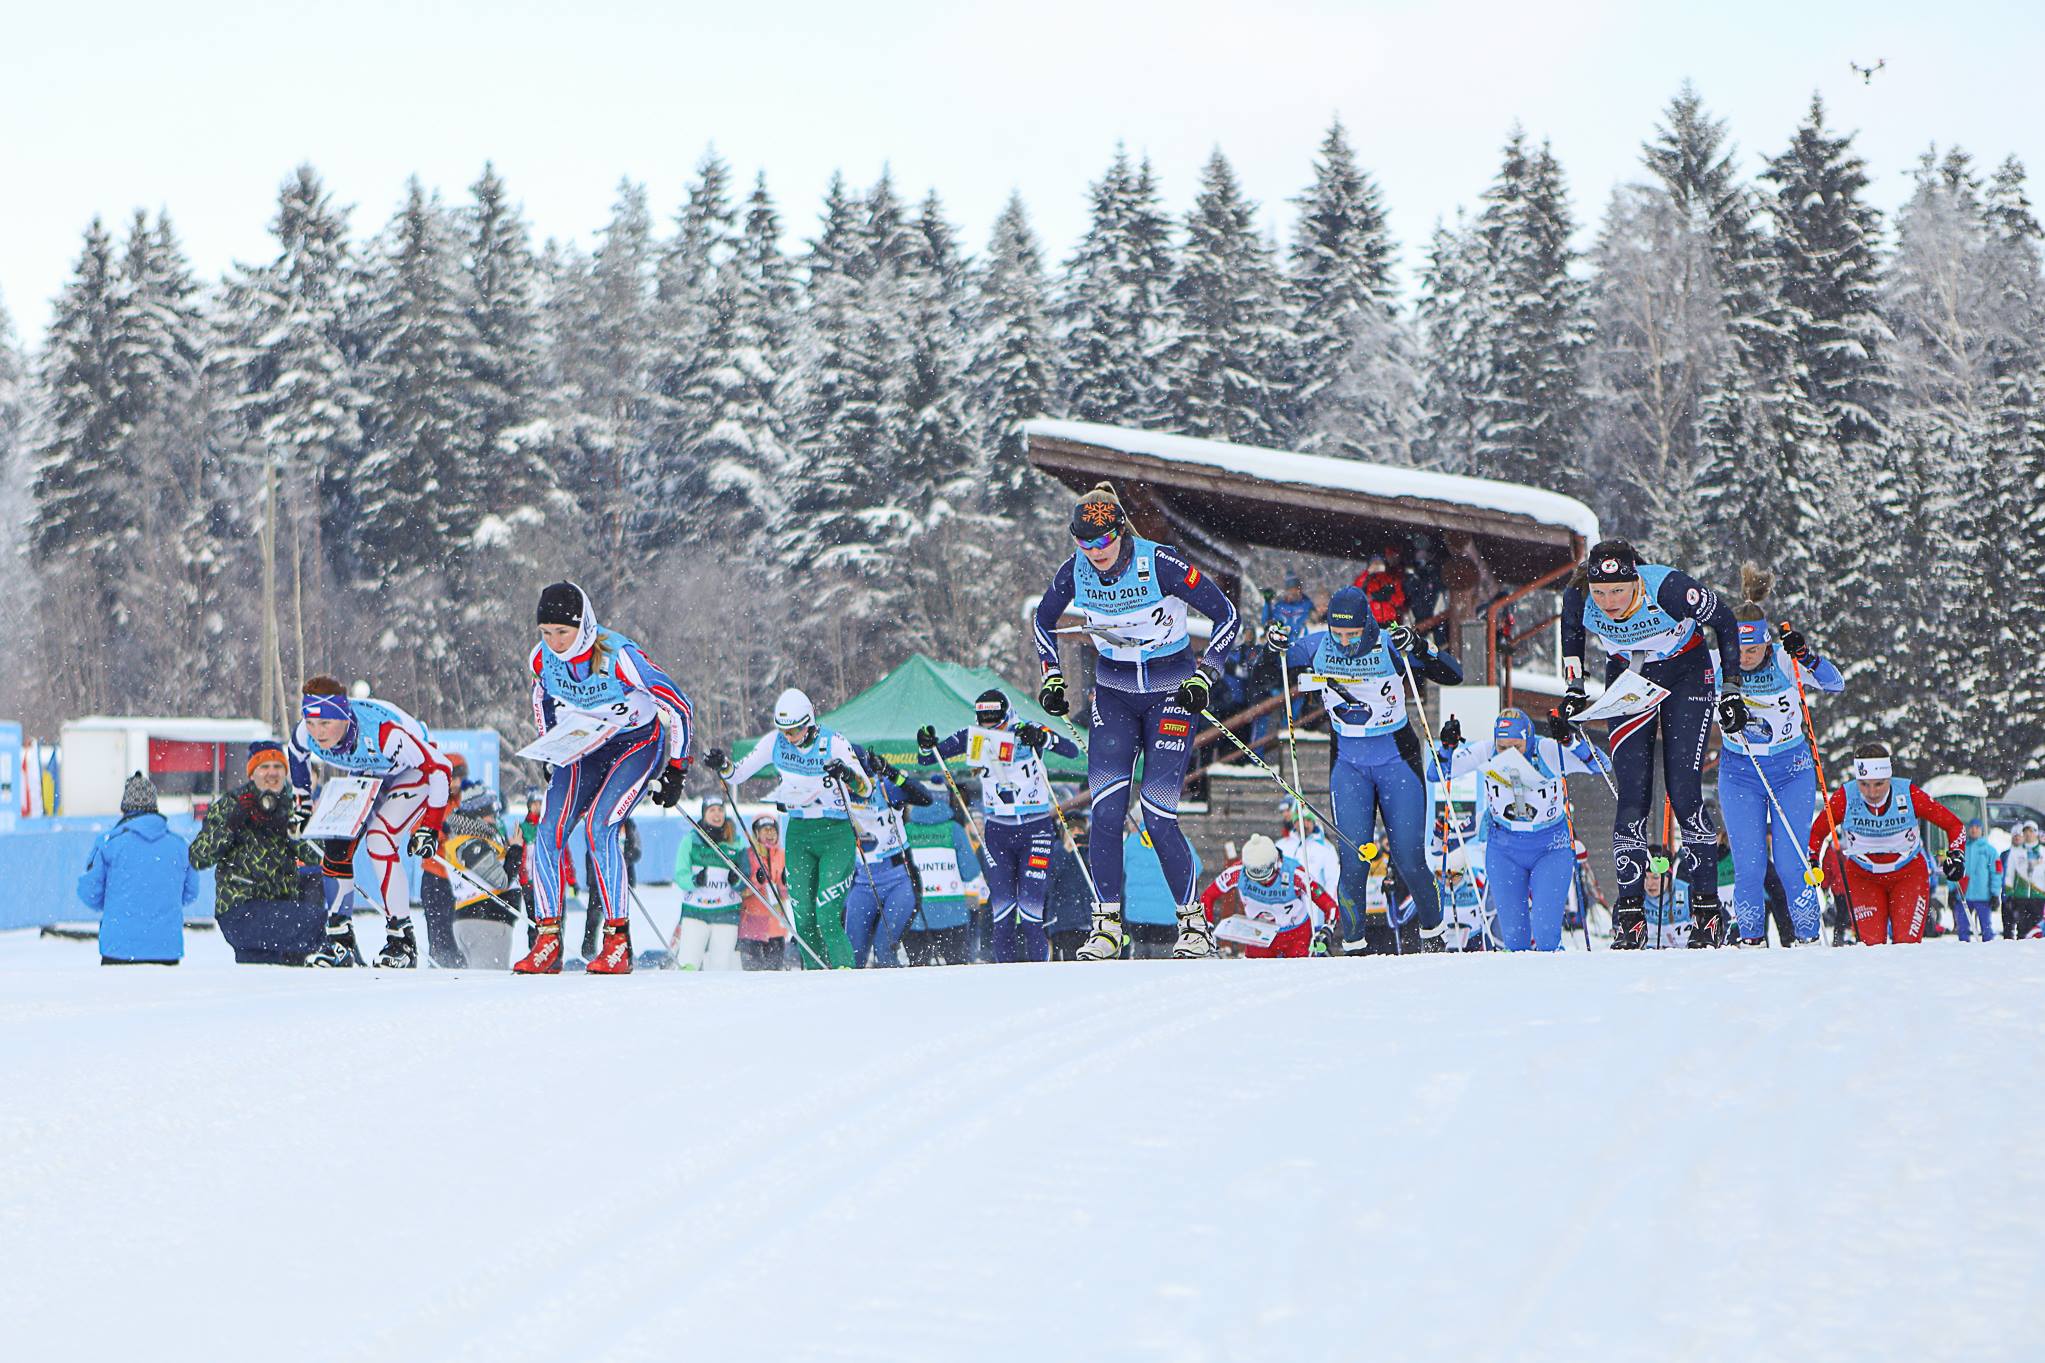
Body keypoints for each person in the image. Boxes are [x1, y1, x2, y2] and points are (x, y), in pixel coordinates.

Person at [1033, 482, 1240, 960]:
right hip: (1115, 695)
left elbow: (1227, 615)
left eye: (1103, 541)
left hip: (1171, 693)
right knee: (1105, 812)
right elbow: (1043, 621)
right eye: (1084, 543)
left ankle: (1194, 925)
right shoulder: (1074, 571)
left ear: (1121, 532)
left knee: (1157, 813)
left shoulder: (1160, 563)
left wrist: (1207, 673)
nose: (1095, 553)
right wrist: (1052, 676)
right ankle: (1106, 926)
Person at [1558, 540, 1742, 948]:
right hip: (1630, 676)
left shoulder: (1668, 588)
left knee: (1684, 792)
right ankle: (1630, 916)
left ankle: (1706, 911)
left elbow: (1726, 620)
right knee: (1632, 795)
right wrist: (1574, 689)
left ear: (1636, 580)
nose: (1608, 602)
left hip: (1686, 672)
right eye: (1600, 592)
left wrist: (1731, 689)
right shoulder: (1578, 595)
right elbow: (1571, 635)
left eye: (1618, 591)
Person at [1267, 584, 1464, 949]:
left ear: (1368, 626)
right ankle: (1354, 948)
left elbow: (1454, 674)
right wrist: (1271, 648)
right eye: (1337, 634)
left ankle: (1434, 936)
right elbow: (1264, 673)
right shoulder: (1316, 646)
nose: (1344, 643)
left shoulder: (1389, 645)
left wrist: (1420, 647)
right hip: (1349, 765)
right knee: (1354, 861)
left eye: (1352, 634)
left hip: (1397, 762)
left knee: (1409, 859)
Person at [515, 581, 694, 975]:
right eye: (546, 632)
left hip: (635, 744)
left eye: (562, 632)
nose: (554, 642)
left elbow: (679, 706)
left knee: (600, 827)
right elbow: (540, 697)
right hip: (585, 744)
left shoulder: (620, 657)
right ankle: (547, 939)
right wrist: (550, 744)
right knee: (548, 830)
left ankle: (617, 942)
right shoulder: (542, 658)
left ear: (583, 626)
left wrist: (677, 769)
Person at [289, 675, 454, 969]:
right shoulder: (305, 732)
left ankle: (402, 941)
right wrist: (302, 805)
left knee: (379, 839)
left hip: (412, 771)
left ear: (343, 717)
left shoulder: (385, 734)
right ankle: (340, 941)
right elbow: (295, 754)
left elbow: (441, 766)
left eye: (325, 723)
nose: (317, 732)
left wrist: (431, 827)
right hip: (369, 769)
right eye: (311, 723)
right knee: (336, 840)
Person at [1716, 566, 1843, 947]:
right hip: (1740, 773)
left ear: (1767, 644)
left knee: (1791, 864)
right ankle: (1751, 940)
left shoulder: (1786, 661)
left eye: (1752, 650)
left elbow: (1835, 683)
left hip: (1791, 771)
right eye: (1738, 650)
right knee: (1749, 868)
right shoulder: (1717, 662)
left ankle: (1807, 938)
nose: (1744, 658)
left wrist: (1808, 657)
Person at [707, 688, 869, 970]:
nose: (789, 737)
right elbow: (738, 773)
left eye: (794, 731)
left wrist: (846, 774)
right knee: (803, 918)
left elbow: (865, 788)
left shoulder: (834, 743)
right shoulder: (775, 742)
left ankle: (844, 974)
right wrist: (723, 764)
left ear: (809, 723)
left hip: (835, 833)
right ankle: (816, 974)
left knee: (827, 916)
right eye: (784, 730)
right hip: (799, 834)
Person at [915, 688, 1080, 963]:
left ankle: (1041, 975)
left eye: (996, 721)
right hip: (998, 831)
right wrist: (926, 744)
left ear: (1007, 714)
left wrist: (1044, 738)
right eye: (984, 720)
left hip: (1035, 829)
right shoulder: (973, 736)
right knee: (1002, 914)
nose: (991, 727)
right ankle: (1005, 976)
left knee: (1030, 913)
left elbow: (1071, 750)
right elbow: (927, 758)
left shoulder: (1026, 729)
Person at [1430, 708, 1606, 952]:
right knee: (1514, 941)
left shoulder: (1546, 750)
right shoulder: (1486, 750)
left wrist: (1570, 741)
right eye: (1503, 747)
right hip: (1504, 850)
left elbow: (1601, 766)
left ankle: (1557, 975)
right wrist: (1447, 748)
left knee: (1546, 937)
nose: (1509, 754)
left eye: (1517, 747)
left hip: (1550, 848)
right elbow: (1436, 774)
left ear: (1529, 739)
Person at [1808, 743, 1965, 946]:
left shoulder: (1907, 794)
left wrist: (1957, 855)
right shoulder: (1846, 797)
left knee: (1906, 946)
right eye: (1864, 784)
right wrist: (1812, 860)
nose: (1871, 792)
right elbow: (1817, 832)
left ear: (1889, 777)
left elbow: (1954, 825)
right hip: (1863, 877)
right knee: (1871, 947)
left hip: (1909, 875)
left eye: (1879, 784)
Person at [191, 741, 329, 965]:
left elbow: (320, 856)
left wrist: (292, 829)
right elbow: (198, 857)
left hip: (283, 909)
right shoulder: (231, 803)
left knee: (270, 971)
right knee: (321, 925)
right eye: (264, 767)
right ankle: (346, 963)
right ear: (252, 773)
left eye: (278, 766)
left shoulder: (295, 805)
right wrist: (231, 826)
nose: (272, 773)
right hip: (241, 908)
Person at [77, 773, 197, 966]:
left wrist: (115, 905)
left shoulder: (108, 844)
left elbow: (89, 893)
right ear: (154, 806)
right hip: (166, 949)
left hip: (119, 949)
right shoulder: (180, 846)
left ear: (125, 807)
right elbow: (190, 893)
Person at [843, 750, 934, 967]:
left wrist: (891, 772)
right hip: (863, 882)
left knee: (884, 949)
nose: (852, 786)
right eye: (847, 778)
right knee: (852, 954)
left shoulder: (885, 789)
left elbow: (925, 798)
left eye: (856, 778)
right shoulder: (838, 794)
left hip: (898, 881)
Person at [1199, 833, 1338, 958]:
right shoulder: (1237, 872)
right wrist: (1207, 927)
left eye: (1266, 874)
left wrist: (1327, 930)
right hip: (1258, 935)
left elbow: (1329, 905)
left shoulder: (1295, 874)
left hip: (1296, 935)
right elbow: (1207, 897)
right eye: (1254, 875)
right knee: (1256, 974)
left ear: (1275, 863)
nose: (1262, 881)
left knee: (1297, 974)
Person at [904, 779, 984, 966]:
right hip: (952, 914)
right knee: (957, 970)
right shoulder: (954, 830)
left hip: (916, 915)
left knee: (918, 971)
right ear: (945, 800)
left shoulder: (906, 831)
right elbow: (971, 871)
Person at [673, 794, 745, 970]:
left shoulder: (736, 842)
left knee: (720, 965)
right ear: (704, 814)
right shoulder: (691, 840)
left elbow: (745, 878)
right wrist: (694, 880)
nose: (717, 814)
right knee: (688, 962)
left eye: (720, 810)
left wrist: (736, 880)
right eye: (712, 810)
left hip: (726, 912)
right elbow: (680, 875)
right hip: (695, 911)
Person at [1122, 817, 1199, 960]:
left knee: (1140, 954)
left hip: (1137, 912)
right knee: (1164, 957)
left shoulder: (1131, 842)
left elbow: (1121, 868)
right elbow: (1196, 867)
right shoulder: (1175, 839)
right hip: (1166, 912)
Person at [737, 814, 790, 970]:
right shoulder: (747, 855)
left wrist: (784, 884)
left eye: (773, 830)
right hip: (751, 926)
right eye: (765, 830)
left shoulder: (783, 856)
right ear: (756, 833)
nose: (770, 833)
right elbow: (740, 891)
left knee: (774, 976)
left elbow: (787, 894)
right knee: (753, 976)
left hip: (776, 927)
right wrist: (757, 881)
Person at [1041, 811, 1093, 962]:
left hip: (1088, 923)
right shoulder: (1054, 852)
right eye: (1072, 829)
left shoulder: (1089, 853)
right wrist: (1064, 852)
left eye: (1080, 829)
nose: (1076, 833)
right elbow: (1045, 884)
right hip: (1063, 924)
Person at [1276, 800, 1342, 914]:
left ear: (1313, 822)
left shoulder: (1326, 848)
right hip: (1284, 907)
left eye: (1308, 820)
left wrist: (1329, 906)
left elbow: (1333, 880)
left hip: (1313, 909)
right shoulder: (1282, 845)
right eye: (1300, 820)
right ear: (1294, 823)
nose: (1304, 824)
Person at [1957, 818, 2000, 942]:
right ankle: (1963, 948)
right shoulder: (1962, 849)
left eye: (1977, 827)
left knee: (1986, 927)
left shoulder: (1989, 850)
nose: (1974, 830)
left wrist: (1995, 893)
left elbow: (1996, 873)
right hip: (1964, 896)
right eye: (1971, 827)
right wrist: (1952, 890)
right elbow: (1954, 870)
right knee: (1962, 927)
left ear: (1981, 830)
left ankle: (1988, 949)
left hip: (1983, 896)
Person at [2002, 822, 2044, 940]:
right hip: (2021, 896)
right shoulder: (2016, 852)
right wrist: (2009, 895)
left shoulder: (2043, 851)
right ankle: (2021, 950)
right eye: (2025, 831)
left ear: (2036, 833)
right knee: (2022, 930)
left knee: (2037, 930)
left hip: (2039, 897)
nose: (2028, 834)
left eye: (2031, 831)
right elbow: (2009, 875)